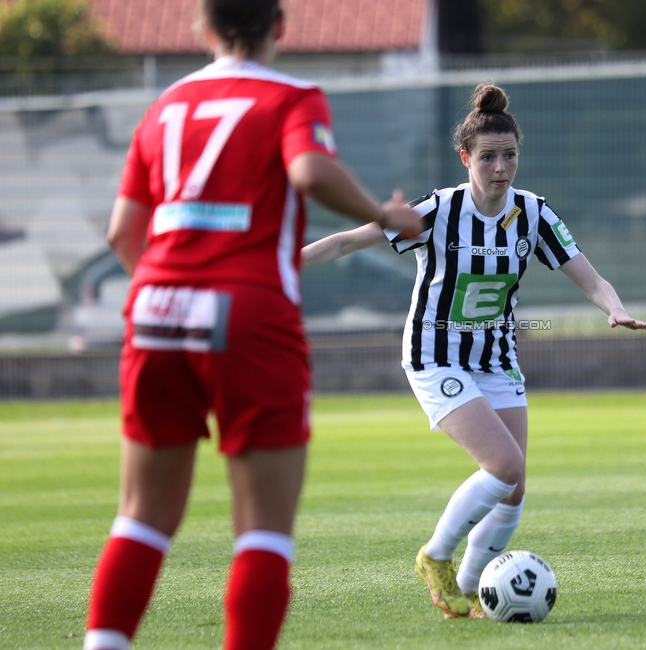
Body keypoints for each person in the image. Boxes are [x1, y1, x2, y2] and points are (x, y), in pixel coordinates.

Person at [83, 1, 420, 648]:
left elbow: (123, 232)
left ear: (203, 29)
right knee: (262, 527)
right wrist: (385, 213)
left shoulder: (165, 106)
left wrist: (173, 287)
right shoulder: (293, 96)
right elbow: (309, 170)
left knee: (142, 517)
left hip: (155, 311)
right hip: (247, 312)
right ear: (281, 27)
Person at [301, 83, 646, 617]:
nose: (500, 167)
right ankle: (435, 556)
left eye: (509, 155)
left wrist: (613, 306)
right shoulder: (438, 211)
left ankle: (469, 590)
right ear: (466, 158)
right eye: (488, 157)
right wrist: (279, 262)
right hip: (434, 355)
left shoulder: (532, 214)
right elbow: (350, 240)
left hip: (495, 359)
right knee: (504, 463)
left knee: (513, 489)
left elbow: (587, 273)